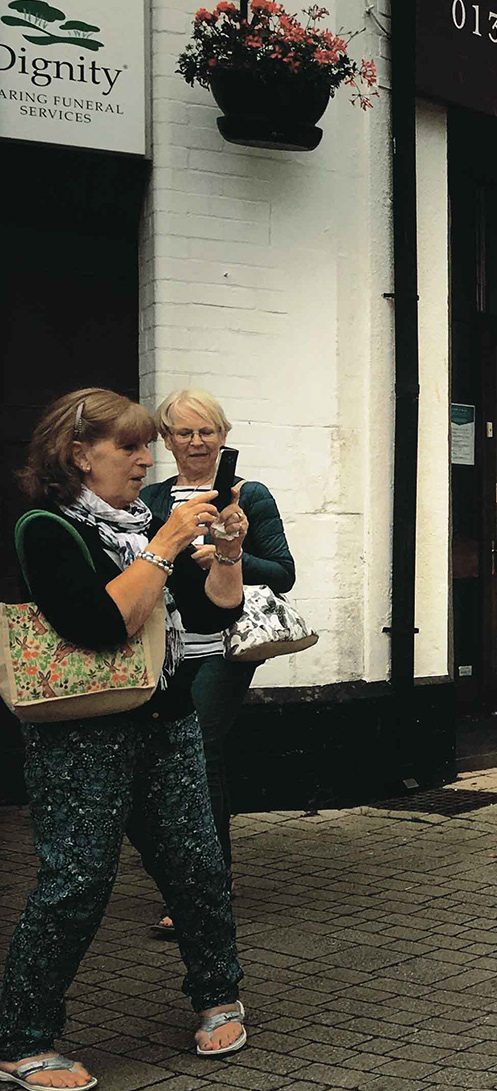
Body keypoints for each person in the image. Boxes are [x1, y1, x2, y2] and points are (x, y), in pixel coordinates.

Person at [1, 390, 249, 1091]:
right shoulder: (47, 529)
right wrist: (165, 547)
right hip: (82, 734)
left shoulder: (142, 525)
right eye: (130, 447)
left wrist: (228, 551)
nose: (147, 460)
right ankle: (22, 1038)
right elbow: (98, 624)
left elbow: (216, 609)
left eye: (146, 446)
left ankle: (218, 995)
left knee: (197, 866)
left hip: (167, 719)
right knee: (77, 881)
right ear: (80, 454)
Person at [138, 390, 296, 937]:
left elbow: (283, 572)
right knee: (198, 758)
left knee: (197, 749)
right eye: (184, 432)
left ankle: (203, 888)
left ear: (223, 435)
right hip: (168, 646)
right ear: (167, 440)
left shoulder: (247, 494)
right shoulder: (151, 499)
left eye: (206, 431)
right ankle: (207, 876)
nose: (196, 442)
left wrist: (230, 555)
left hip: (227, 644)